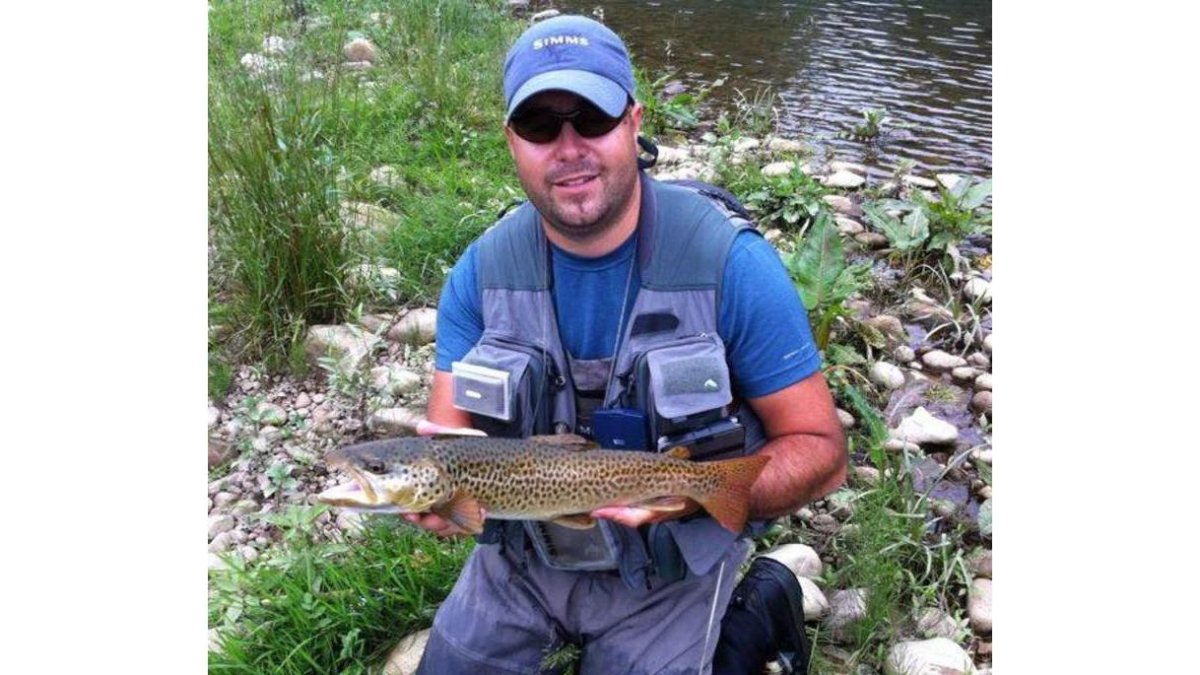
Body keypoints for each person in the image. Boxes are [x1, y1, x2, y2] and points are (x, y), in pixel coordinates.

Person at [406, 14, 847, 675]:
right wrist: (439, 504)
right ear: (511, 142)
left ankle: (758, 602)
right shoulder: (479, 275)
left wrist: (697, 492)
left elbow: (822, 452)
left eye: (592, 116)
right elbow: (450, 446)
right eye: (539, 125)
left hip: (673, 566)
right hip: (524, 560)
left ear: (634, 122)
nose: (569, 145)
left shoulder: (730, 262)